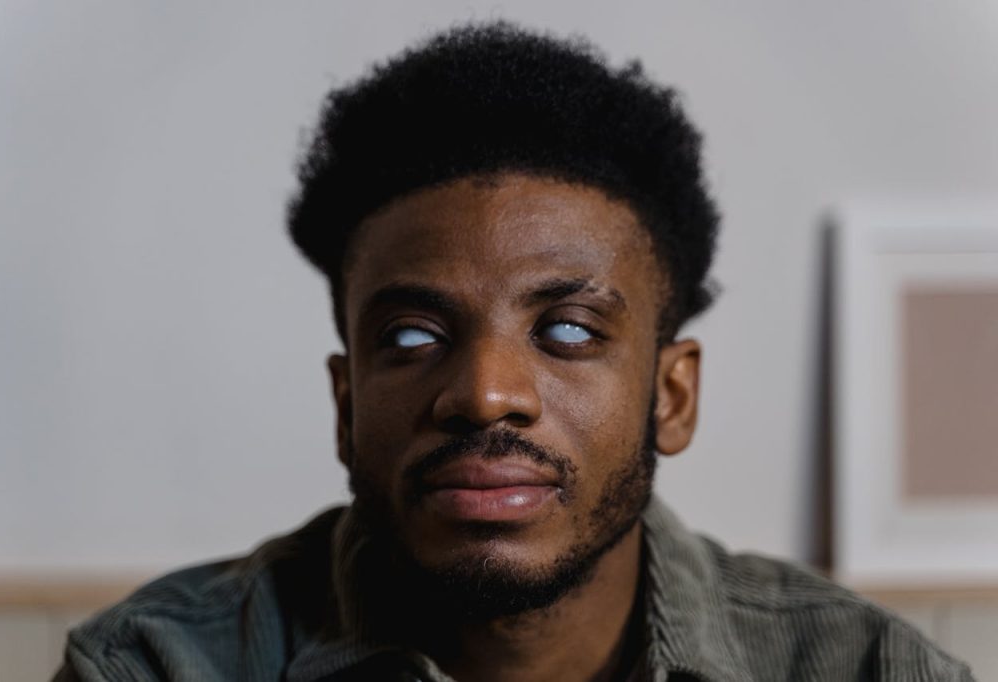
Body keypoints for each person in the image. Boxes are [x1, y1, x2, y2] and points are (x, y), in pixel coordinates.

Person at [55, 22, 973, 682]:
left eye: (568, 330)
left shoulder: (870, 669)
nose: (487, 395)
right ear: (345, 405)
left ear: (672, 396)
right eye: (412, 337)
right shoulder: (152, 667)